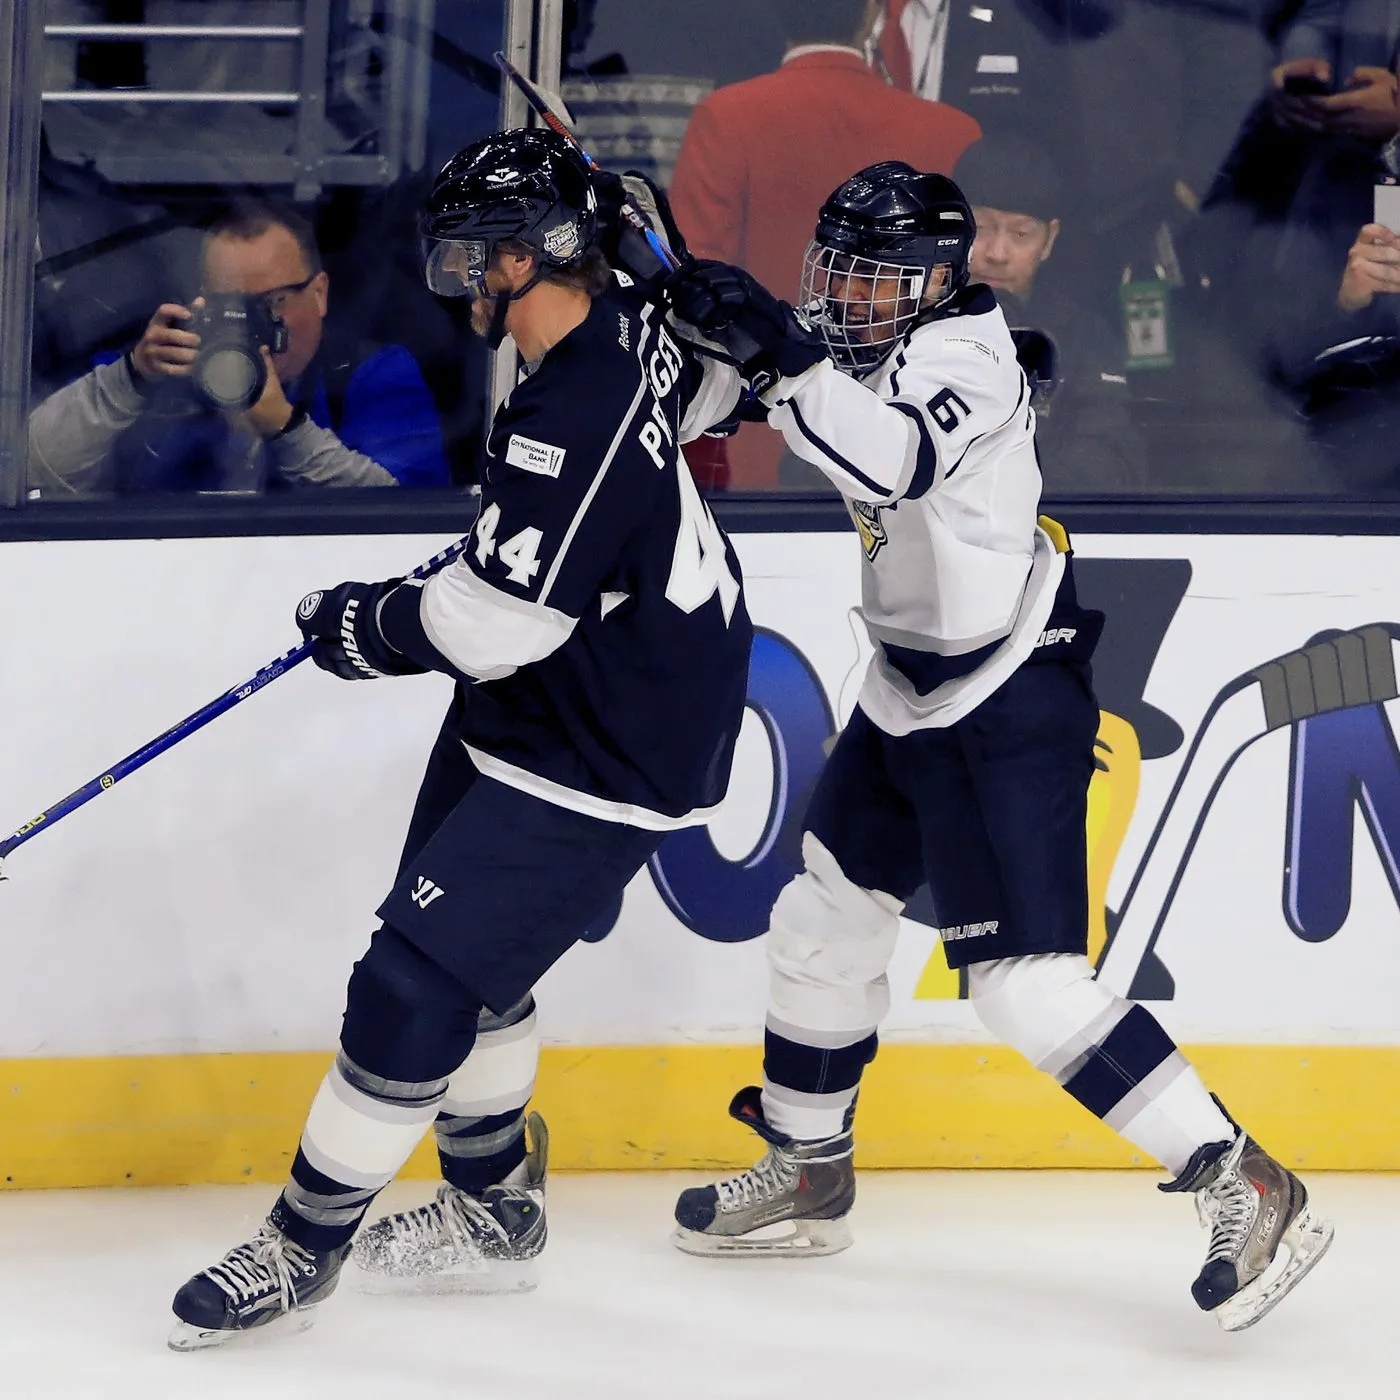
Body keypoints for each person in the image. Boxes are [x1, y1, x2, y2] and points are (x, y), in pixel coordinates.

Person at [664, 161, 1334, 1331]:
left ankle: (1244, 1177)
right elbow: (721, 404)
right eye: (833, 270)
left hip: (1006, 692)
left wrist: (781, 348)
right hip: (901, 684)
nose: (841, 293)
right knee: (822, 922)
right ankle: (810, 1166)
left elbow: (887, 458)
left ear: (934, 278)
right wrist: (665, 309)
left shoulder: (969, 358)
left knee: (1024, 987)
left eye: (868, 275)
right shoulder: (856, 348)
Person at [164, 128, 753, 1349]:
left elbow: (495, 627)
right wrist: (631, 232)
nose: (459, 276)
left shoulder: (575, 404)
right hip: (557, 695)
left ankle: (303, 1240)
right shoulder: (616, 327)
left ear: (538, 256)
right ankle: (493, 1213)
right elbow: (688, 362)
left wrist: (360, 623)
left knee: (409, 982)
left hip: (611, 732)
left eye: (475, 255)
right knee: (466, 965)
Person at [668, 0, 980, 488]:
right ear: (873, 12)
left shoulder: (728, 117)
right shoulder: (953, 131)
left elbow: (692, 285)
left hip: (763, 434)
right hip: (920, 435)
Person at [26, 203, 451, 495]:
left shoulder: (372, 374)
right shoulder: (168, 367)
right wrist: (129, 378)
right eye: (232, 304)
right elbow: (35, 469)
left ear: (319, 293)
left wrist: (285, 429)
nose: (252, 323)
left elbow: (403, 515)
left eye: (271, 303)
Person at [952, 134, 1146, 491]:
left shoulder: (1084, 334)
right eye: (981, 228)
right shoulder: (902, 320)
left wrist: (1010, 493)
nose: (998, 252)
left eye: (1021, 234)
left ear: (1049, 240)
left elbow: (1112, 453)